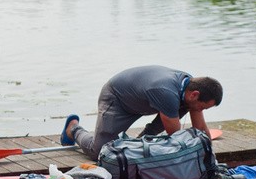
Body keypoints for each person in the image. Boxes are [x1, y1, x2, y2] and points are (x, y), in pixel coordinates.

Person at [60, 65, 223, 161]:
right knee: (99, 152)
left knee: (183, 106)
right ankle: (73, 129)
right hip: (117, 98)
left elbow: (201, 131)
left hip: (145, 100)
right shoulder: (167, 92)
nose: (200, 111)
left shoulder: (190, 88)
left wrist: (210, 156)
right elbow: (178, 139)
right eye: (202, 107)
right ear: (195, 94)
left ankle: (139, 142)